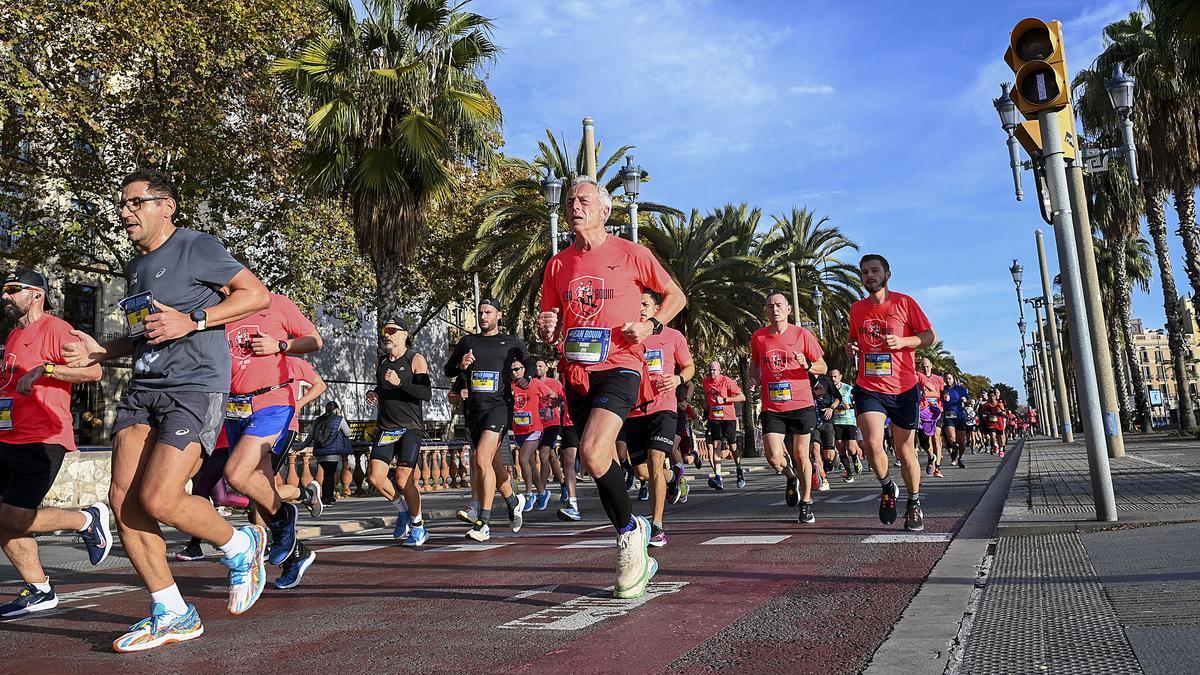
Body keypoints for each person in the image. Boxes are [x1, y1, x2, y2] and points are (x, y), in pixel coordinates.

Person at [63, 169, 272, 651]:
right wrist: (102, 352)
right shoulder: (136, 267)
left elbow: (254, 294)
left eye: (135, 203)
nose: (124, 213)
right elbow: (147, 333)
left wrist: (194, 319)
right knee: (123, 502)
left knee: (159, 499)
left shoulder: (196, 245)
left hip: (194, 388)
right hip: (144, 389)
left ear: (166, 206)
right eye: (122, 204)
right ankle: (172, 610)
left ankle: (241, 545)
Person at [537, 176, 686, 599]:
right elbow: (552, 322)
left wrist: (651, 324)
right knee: (597, 460)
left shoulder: (631, 253)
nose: (574, 206)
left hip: (620, 365)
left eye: (583, 200)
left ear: (605, 211)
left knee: (591, 450)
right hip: (576, 371)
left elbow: (676, 295)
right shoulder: (557, 264)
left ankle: (628, 540)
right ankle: (630, 529)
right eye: (569, 201)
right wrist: (547, 327)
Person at [0, 268, 111, 617]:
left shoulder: (56, 329)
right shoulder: (15, 336)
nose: (5, 296)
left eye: (12, 290)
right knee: (4, 520)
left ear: (36, 294)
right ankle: (39, 590)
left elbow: (94, 371)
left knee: (12, 517)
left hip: (43, 437)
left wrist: (48, 370)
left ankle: (86, 519)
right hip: (8, 435)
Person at [222, 292, 322, 588]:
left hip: (274, 405)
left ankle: (284, 518)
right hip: (235, 409)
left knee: (236, 474)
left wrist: (281, 345)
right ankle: (295, 554)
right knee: (261, 490)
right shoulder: (215, 310)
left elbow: (315, 340)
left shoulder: (274, 302)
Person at [845, 254, 937, 533]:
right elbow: (853, 337)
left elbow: (930, 336)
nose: (869, 276)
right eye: (864, 272)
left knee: (904, 451)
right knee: (872, 444)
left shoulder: (904, 303)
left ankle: (913, 502)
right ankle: (887, 486)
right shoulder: (857, 309)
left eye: (875, 271)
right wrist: (851, 347)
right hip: (869, 386)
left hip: (903, 388)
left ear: (887, 274)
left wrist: (903, 341)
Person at [444, 298, 534, 541]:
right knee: (491, 462)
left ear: (498, 315)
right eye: (480, 312)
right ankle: (513, 500)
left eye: (488, 312)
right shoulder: (468, 342)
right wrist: (461, 364)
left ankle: (483, 522)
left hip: (499, 407)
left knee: (480, 458)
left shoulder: (511, 342)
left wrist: (525, 374)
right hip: (474, 410)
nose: (483, 316)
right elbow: (448, 370)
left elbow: (530, 362)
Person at [623, 290, 694, 546]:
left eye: (645, 304)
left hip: (663, 407)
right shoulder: (625, 336)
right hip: (633, 409)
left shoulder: (673, 336)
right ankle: (675, 477)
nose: (640, 308)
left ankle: (657, 526)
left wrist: (677, 379)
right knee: (642, 472)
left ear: (656, 309)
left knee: (655, 462)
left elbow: (689, 367)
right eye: (636, 303)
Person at [749, 291, 826, 523]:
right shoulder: (759, 337)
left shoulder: (802, 334)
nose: (775, 309)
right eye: (771, 305)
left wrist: (808, 364)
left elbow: (822, 366)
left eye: (780, 305)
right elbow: (755, 365)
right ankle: (790, 476)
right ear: (765, 310)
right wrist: (752, 379)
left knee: (802, 454)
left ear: (789, 310)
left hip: (801, 404)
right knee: (774, 457)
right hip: (773, 406)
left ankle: (806, 502)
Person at [364, 317, 432, 546]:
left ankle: (418, 526)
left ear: (404, 334)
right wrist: (374, 393)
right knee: (375, 477)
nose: (387, 335)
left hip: (410, 428)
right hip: (386, 427)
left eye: (392, 330)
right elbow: (382, 388)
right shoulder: (381, 361)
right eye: (385, 331)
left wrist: (399, 383)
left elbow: (425, 393)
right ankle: (402, 511)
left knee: (404, 480)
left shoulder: (415, 359)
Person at [510, 359, 552, 513]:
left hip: (534, 428)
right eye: (512, 370)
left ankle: (529, 494)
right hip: (518, 429)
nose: (515, 372)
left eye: (518, 369)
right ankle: (542, 492)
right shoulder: (511, 385)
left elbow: (552, 394)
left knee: (522, 458)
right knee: (532, 464)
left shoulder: (534, 382)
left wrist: (547, 409)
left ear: (524, 369)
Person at [702, 361, 745, 490]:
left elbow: (742, 397)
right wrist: (705, 406)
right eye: (710, 370)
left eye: (714, 370)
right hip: (714, 418)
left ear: (719, 370)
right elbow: (707, 396)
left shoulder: (727, 381)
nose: (712, 372)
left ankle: (739, 470)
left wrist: (725, 400)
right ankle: (718, 477)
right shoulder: (706, 382)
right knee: (716, 445)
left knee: (733, 447)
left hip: (728, 418)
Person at [916, 358, 946, 478]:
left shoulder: (939, 379)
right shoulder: (917, 378)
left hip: (937, 411)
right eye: (923, 367)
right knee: (925, 439)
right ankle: (931, 457)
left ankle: (937, 468)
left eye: (927, 366)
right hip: (923, 412)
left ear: (931, 365)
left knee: (936, 437)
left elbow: (943, 393)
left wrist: (946, 396)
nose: (925, 369)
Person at [830, 369, 862, 480]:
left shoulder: (848, 388)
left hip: (849, 421)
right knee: (840, 446)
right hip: (836, 421)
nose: (833, 379)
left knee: (851, 447)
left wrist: (850, 406)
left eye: (835, 376)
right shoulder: (829, 390)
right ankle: (849, 473)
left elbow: (858, 403)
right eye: (831, 377)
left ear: (840, 377)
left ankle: (855, 458)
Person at [940, 373, 969, 469]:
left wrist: (965, 400)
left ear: (953, 379)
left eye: (949, 378)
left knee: (961, 441)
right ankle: (954, 449)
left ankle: (960, 458)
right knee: (951, 438)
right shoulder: (942, 390)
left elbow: (968, 400)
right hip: (949, 416)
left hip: (960, 416)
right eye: (946, 379)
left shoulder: (961, 389)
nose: (948, 380)